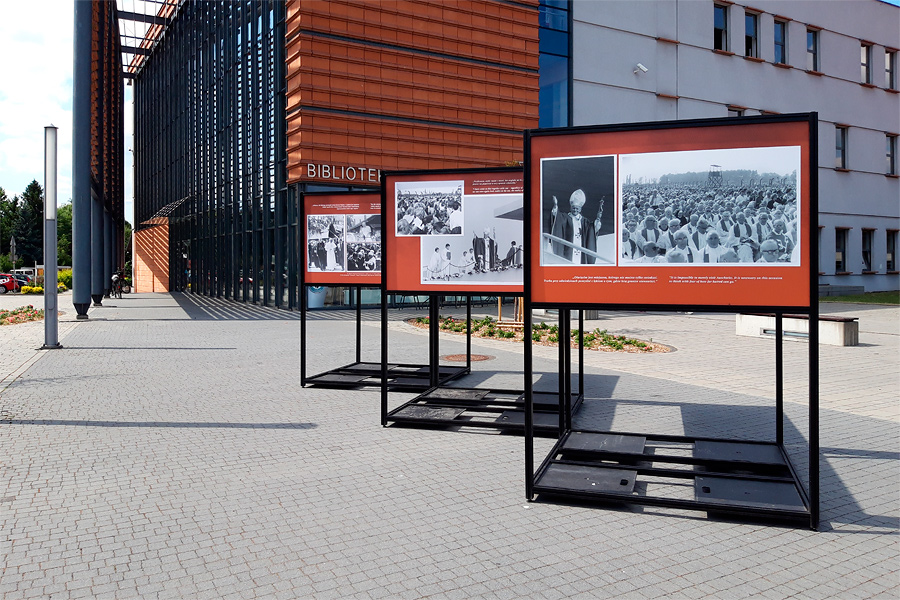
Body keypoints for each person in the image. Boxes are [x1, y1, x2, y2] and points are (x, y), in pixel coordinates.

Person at [550, 189, 598, 264]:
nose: (575, 210)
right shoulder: (565, 217)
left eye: (577, 208)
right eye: (573, 208)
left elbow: (591, 228)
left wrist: (596, 223)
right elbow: (557, 217)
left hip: (581, 250)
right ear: (570, 208)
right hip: (568, 250)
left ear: (580, 209)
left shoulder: (584, 221)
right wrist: (555, 205)